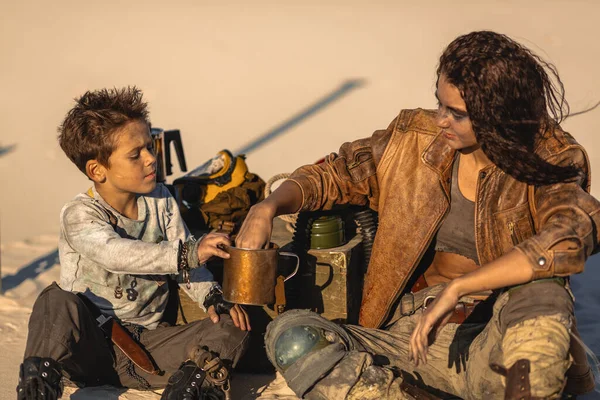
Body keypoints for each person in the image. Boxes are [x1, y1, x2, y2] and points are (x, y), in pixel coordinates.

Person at [235, 31, 600, 399]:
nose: (441, 120)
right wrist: (265, 208)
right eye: (439, 104)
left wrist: (459, 288)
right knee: (291, 336)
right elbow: (332, 174)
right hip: (407, 339)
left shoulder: (551, 156)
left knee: (544, 290)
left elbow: (568, 237)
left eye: (456, 114)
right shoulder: (411, 139)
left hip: (498, 339)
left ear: (496, 115)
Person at [16, 87, 251, 400]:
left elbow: (184, 271)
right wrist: (191, 253)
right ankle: (37, 390)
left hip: (148, 350)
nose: (151, 159)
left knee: (233, 325)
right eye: (135, 154)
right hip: (87, 349)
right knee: (55, 301)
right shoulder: (79, 213)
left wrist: (212, 297)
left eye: (150, 147)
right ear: (97, 170)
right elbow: (117, 254)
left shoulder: (161, 200)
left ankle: (187, 391)